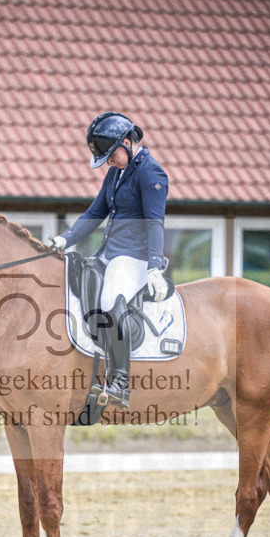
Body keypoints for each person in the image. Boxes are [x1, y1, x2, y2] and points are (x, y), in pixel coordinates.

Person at [48, 112, 169, 408]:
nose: (109, 162)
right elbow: (95, 213)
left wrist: (154, 267)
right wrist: (65, 239)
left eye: (111, 155)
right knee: (76, 279)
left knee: (111, 302)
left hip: (137, 257)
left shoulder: (151, 174)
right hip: (110, 252)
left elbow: (155, 223)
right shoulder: (116, 172)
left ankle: (120, 380)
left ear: (127, 142)